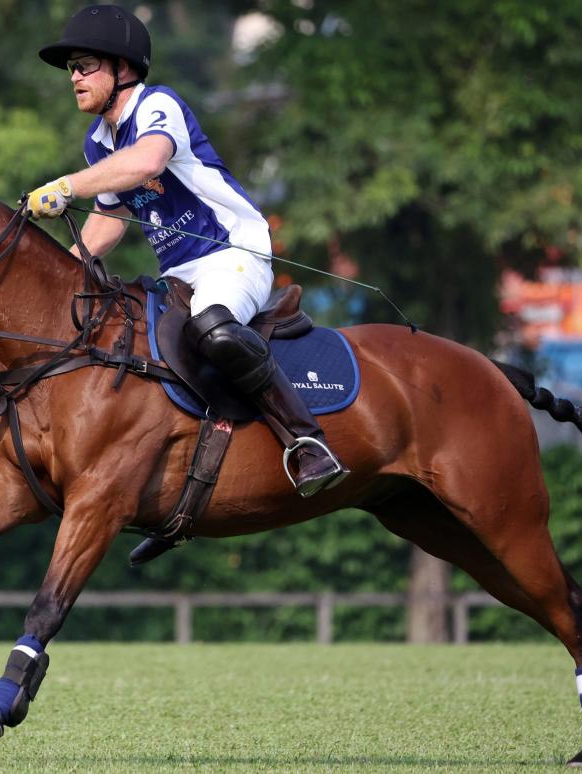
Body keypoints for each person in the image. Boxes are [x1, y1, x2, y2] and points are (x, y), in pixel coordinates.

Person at [28, 4, 347, 498]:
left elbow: (148, 160)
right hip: (179, 274)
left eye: (85, 65)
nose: (74, 77)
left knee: (213, 327)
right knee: (141, 353)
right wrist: (53, 278)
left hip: (233, 254)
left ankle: (308, 442)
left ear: (123, 69)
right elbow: (108, 225)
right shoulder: (99, 142)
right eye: (71, 68)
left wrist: (67, 185)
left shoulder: (158, 105)